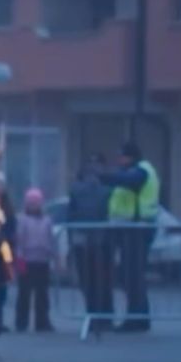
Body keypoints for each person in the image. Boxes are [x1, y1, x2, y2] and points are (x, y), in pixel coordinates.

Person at [102, 142, 160, 333]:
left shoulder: (141, 171)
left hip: (138, 229)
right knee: (130, 275)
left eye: (122, 156)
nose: (119, 160)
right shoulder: (133, 171)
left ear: (131, 157)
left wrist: (102, 175)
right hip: (130, 229)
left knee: (132, 276)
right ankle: (138, 317)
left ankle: (136, 318)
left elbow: (128, 181)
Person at [68, 155, 113, 328]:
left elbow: (71, 215)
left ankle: (92, 315)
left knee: (87, 281)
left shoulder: (75, 189)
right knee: (103, 280)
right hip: (103, 240)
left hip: (82, 240)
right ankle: (105, 317)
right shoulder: (108, 189)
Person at [14, 187, 56, 333]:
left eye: (36, 202)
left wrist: (54, 257)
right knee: (24, 294)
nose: (34, 205)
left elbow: (51, 239)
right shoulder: (22, 220)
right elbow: (19, 240)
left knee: (42, 294)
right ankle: (21, 322)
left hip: (43, 260)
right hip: (27, 260)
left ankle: (42, 321)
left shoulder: (47, 220)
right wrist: (19, 259)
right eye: (31, 203)